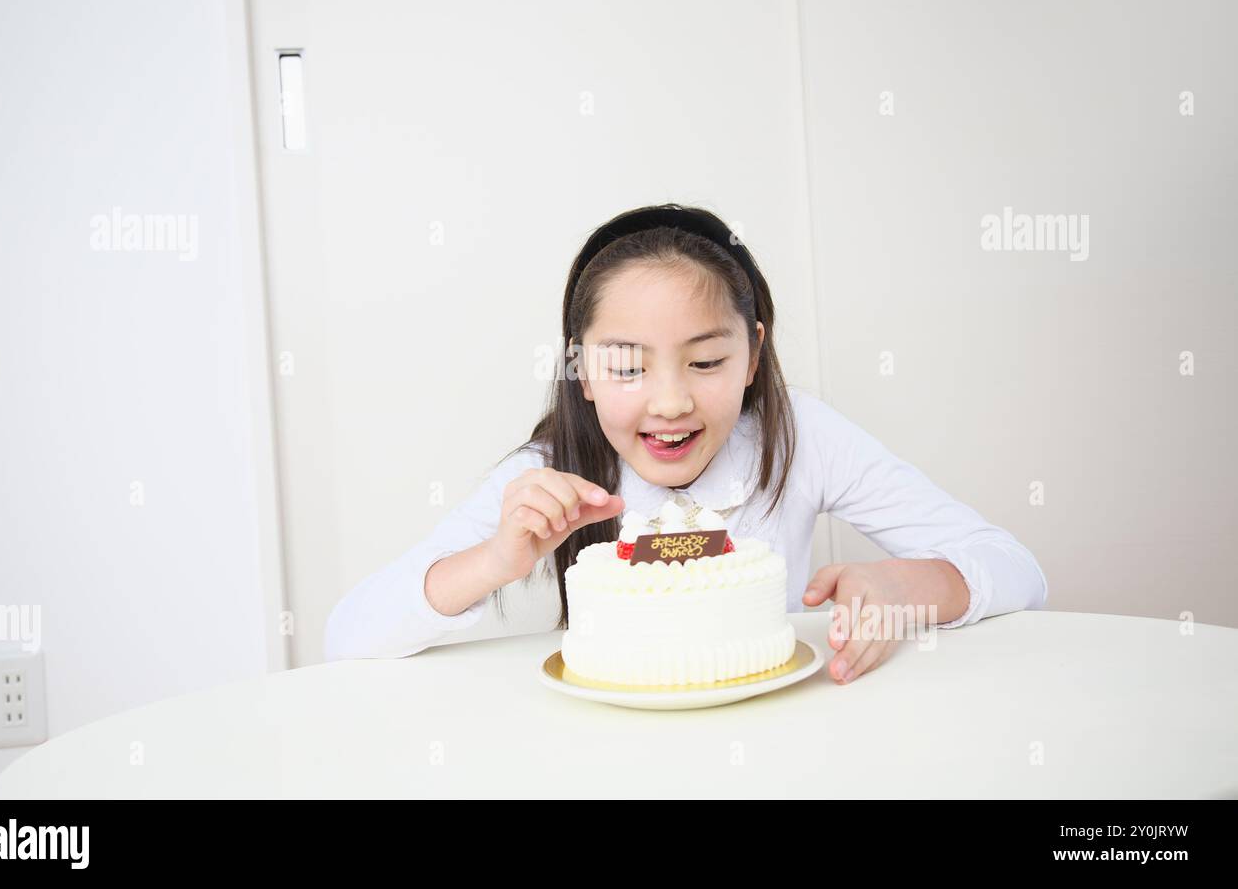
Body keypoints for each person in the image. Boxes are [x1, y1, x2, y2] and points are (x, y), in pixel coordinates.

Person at [324, 204, 1047, 684]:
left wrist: (909, 588)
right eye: (628, 365)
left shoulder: (806, 437)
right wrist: (493, 560)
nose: (670, 401)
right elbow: (349, 638)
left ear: (754, 353)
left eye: (706, 362)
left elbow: (1019, 571)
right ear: (579, 365)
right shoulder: (550, 474)